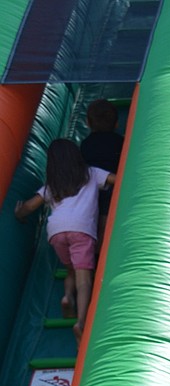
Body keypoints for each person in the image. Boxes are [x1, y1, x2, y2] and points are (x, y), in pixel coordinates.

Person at [15, 137, 116, 343]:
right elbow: (118, 179)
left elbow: (29, 207)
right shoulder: (91, 173)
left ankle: (67, 296)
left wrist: (19, 213)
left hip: (56, 231)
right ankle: (81, 321)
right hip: (82, 230)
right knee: (84, 277)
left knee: (70, 268)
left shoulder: (52, 185)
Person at [80, 98, 124, 245]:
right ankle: (101, 250)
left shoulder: (86, 144)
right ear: (117, 124)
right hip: (113, 183)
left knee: (94, 214)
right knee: (105, 215)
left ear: (87, 123)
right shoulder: (120, 142)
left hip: (90, 186)